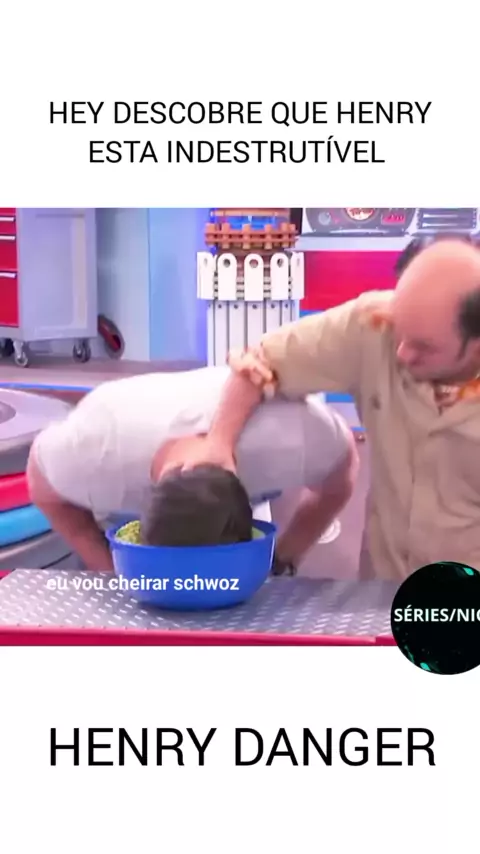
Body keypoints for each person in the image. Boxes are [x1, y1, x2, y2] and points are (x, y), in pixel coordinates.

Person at [183, 237, 480, 580]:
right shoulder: (374, 323)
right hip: (380, 585)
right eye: (401, 332)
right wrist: (218, 442)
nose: (401, 353)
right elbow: (260, 362)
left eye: (423, 347)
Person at [27, 366, 357, 573]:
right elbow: (41, 488)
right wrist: (108, 570)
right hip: (123, 459)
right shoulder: (88, 455)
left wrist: (284, 559)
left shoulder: (300, 436)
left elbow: (341, 478)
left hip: (257, 461)